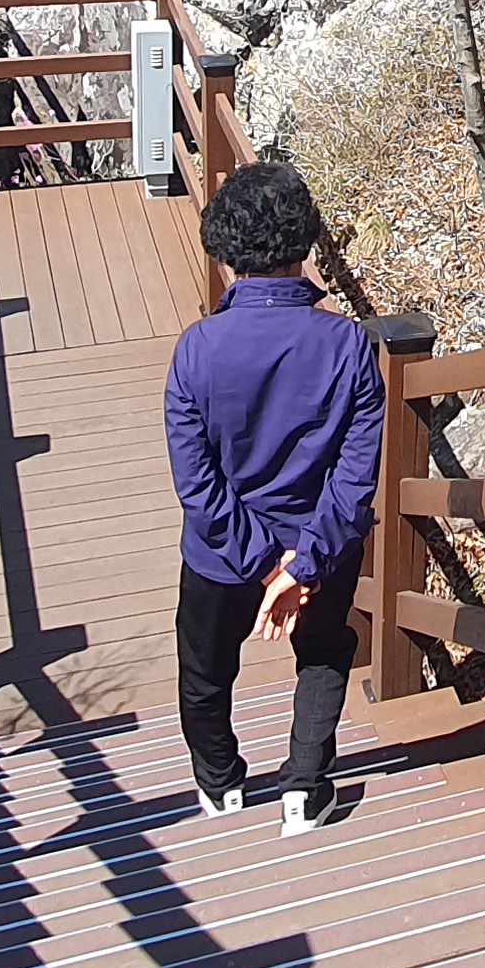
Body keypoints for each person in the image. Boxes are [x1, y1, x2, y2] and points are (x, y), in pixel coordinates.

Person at [163, 160, 384, 829]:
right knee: (322, 653)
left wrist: (262, 563)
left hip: (222, 557)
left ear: (227, 253)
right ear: (304, 243)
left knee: (204, 673)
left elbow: (196, 484)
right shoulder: (348, 346)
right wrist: (300, 564)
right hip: (322, 547)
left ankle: (222, 785)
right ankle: (305, 788)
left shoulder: (196, 351)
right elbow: (355, 476)